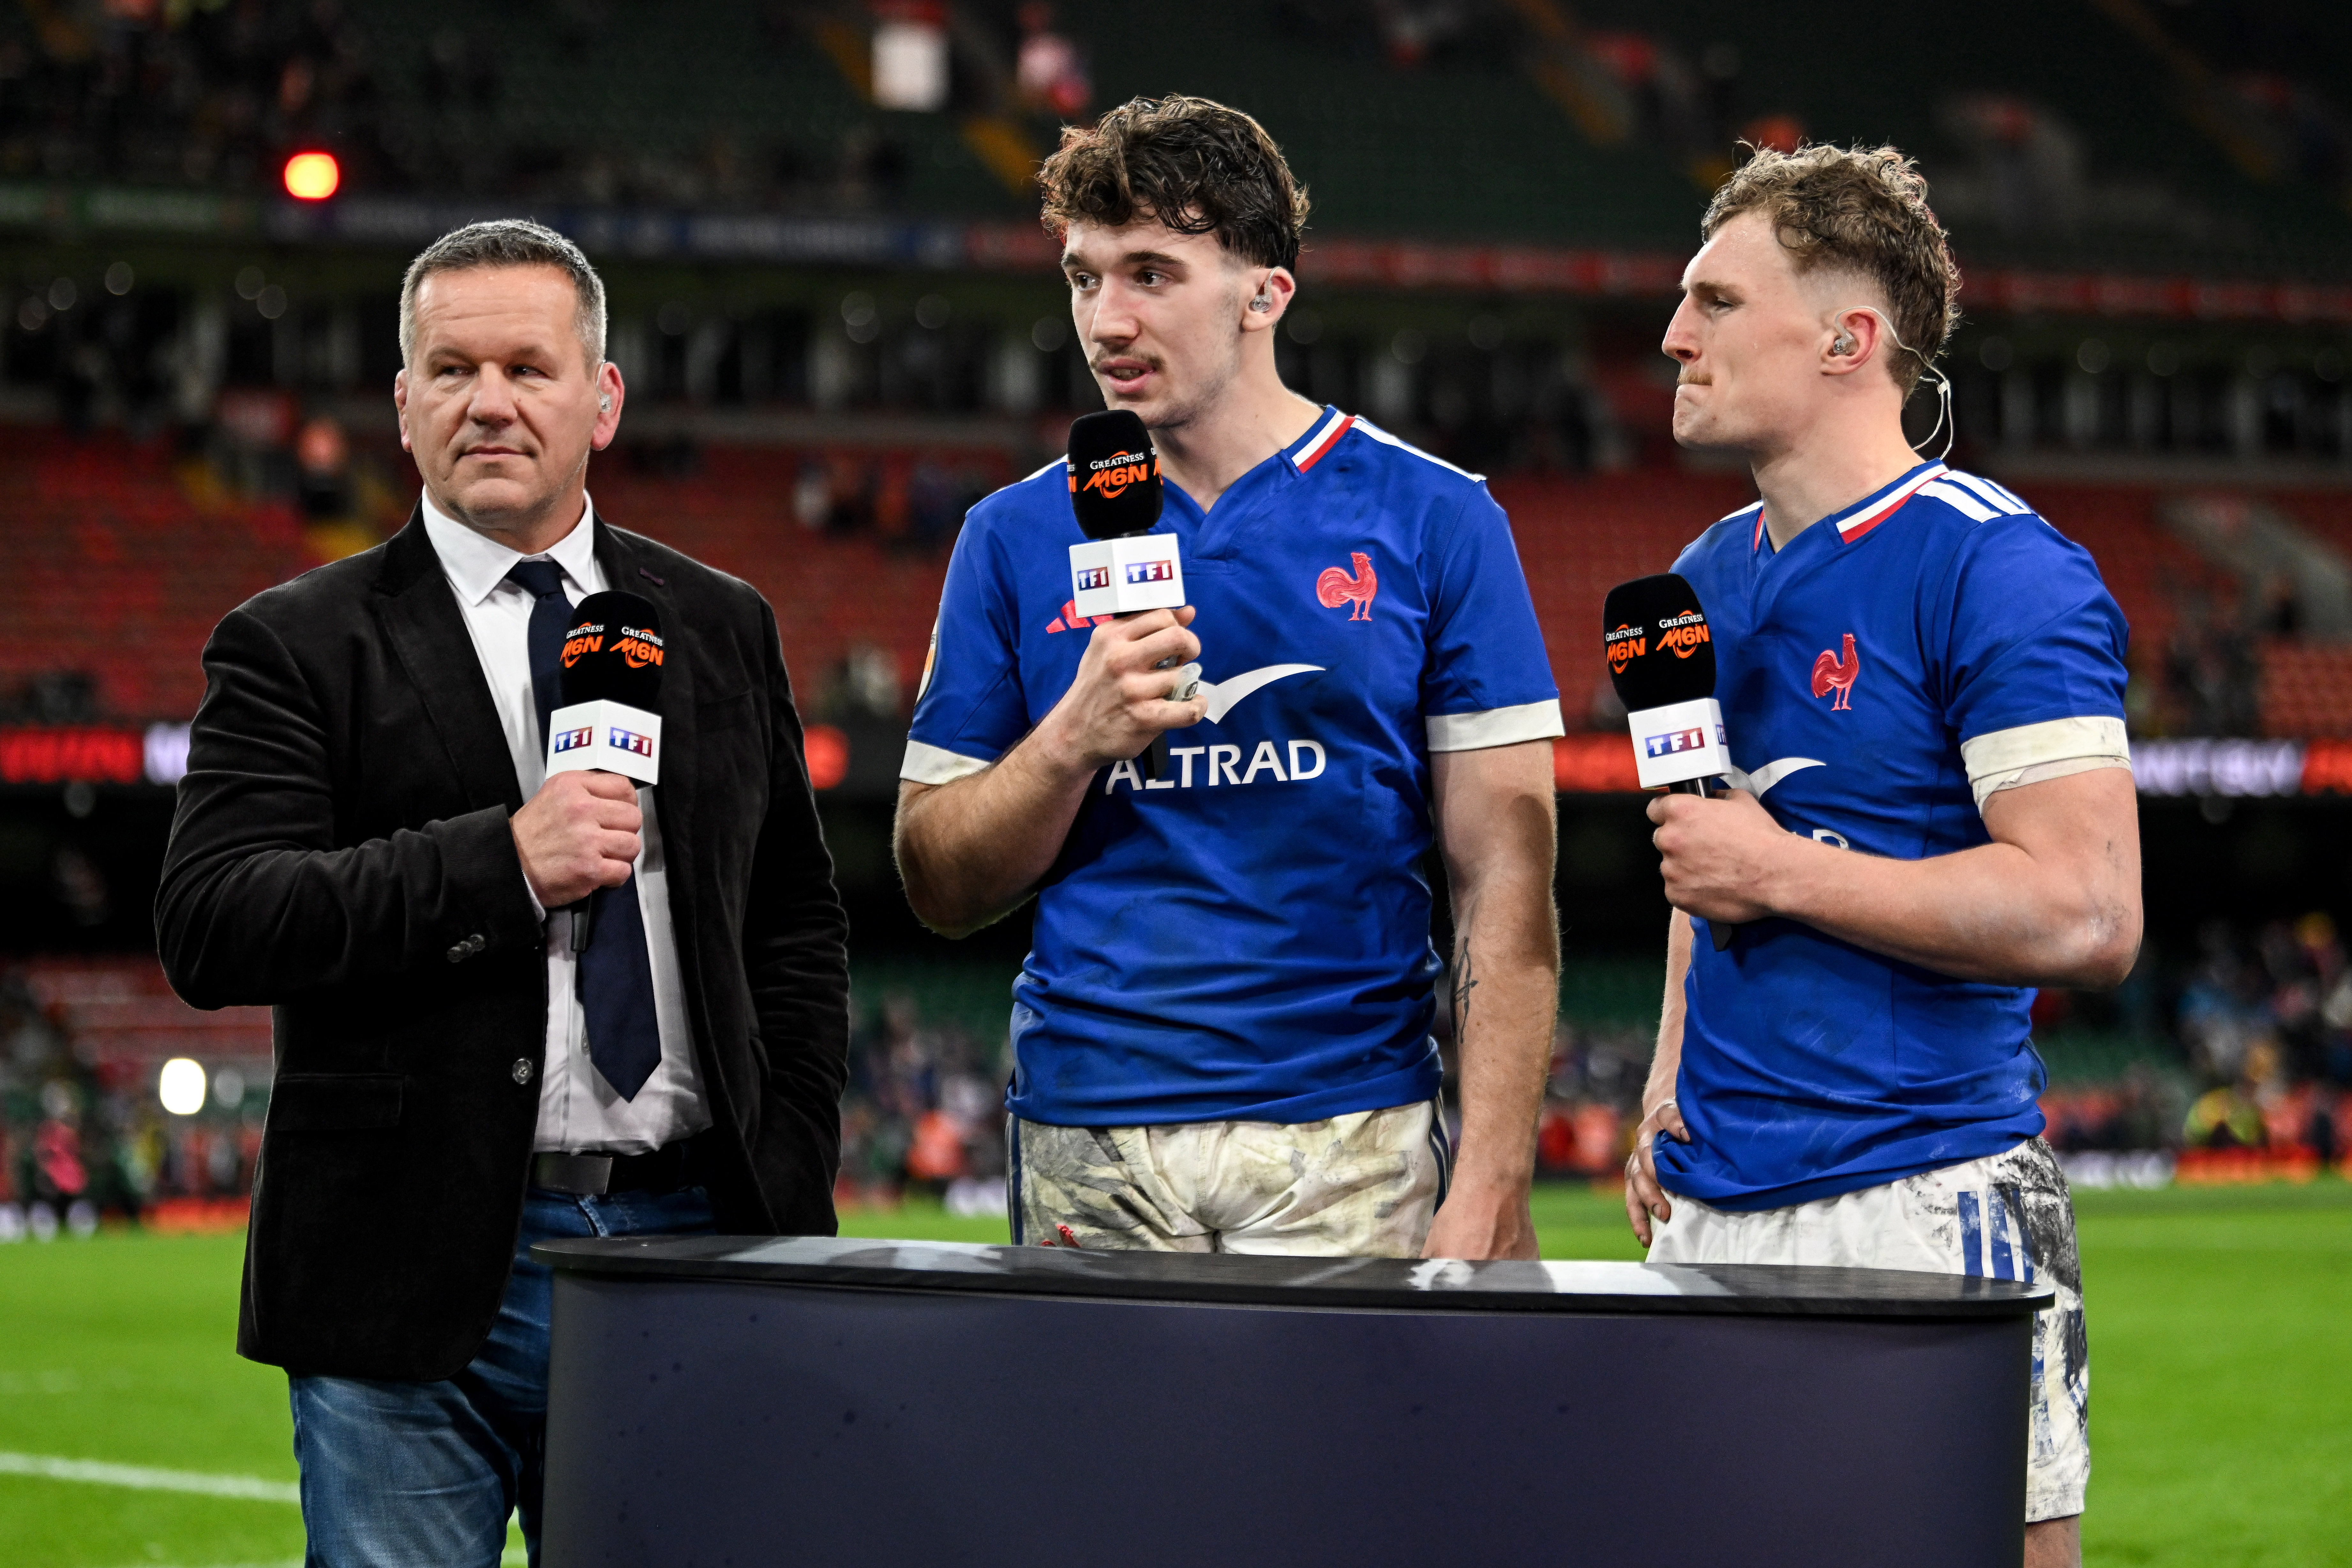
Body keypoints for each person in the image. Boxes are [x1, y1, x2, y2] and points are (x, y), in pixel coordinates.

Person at [155, 220, 848, 1567]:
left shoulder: (718, 620)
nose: (490, 400)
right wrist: (501, 859)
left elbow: (793, 920)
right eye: (452, 368)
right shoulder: (295, 642)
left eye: (529, 367)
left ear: (602, 398)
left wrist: (790, 1149)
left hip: (691, 1241)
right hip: (405, 1277)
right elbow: (216, 917)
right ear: (403, 404)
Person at [895, 96, 1562, 1260]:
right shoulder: (1008, 536)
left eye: (1151, 273)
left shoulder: (1438, 516)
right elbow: (936, 879)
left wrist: (1496, 1170)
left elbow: (1503, 878)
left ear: (1266, 292)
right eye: (1083, 276)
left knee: (1344, 1454)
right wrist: (1069, 740)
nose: (1105, 318)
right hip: (1084, 1128)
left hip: (1349, 1128)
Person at [1622, 144, 2140, 1568]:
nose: (1674, 335)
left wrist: (1778, 870)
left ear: (1853, 340)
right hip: (1712, 1207)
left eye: (1716, 302)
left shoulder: (1997, 564)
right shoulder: (1704, 574)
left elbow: (2088, 909)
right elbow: (1697, 851)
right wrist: (1669, 1065)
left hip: (1926, 1202)